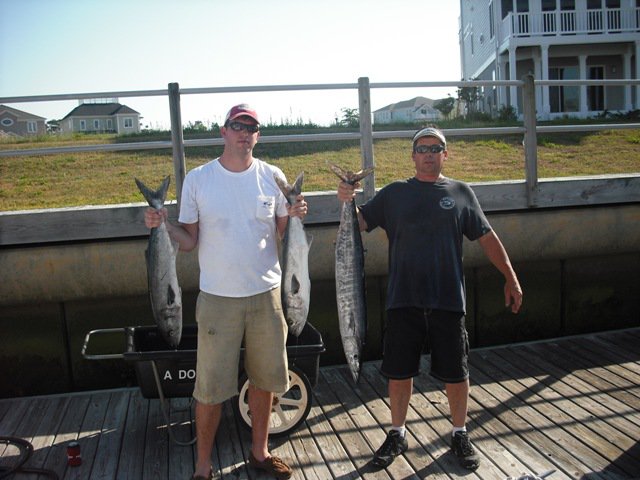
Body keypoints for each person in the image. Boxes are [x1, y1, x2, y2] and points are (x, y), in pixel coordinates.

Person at [336, 125, 523, 471]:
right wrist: (348, 199)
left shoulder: (461, 192)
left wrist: (510, 277)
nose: (428, 154)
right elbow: (359, 223)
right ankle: (397, 432)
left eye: (435, 148)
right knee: (399, 371)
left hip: (448, 299)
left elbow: (487, 237)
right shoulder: (394, 194)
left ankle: (459, 432)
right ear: (412, 155)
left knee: (457, 372)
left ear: (445, 154)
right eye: (422, 149)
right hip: (403, 298)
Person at [144, 104, 307, 480]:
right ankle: (203, 467)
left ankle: (260, 452)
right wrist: (161, 225)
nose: (244, 133)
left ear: (258, 135)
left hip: (267, 295)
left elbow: (284, 234)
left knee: (266, 380)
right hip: (217, 299)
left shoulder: (273, 176)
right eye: (237, 126)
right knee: (210, 387)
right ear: (223, 131)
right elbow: (187, 242)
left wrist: (295, 214)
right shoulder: (200, 179)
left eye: (251, 128)